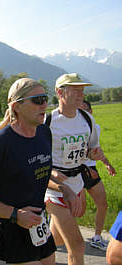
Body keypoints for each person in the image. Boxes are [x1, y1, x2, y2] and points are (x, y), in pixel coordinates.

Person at [0, 78, 65, 264]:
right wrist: (15, 215)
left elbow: (36, 172)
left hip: (39, 224)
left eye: (45, 98)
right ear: (16, 106)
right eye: (37, 100)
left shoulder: (44, 133)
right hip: (13, 228)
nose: (44, 104)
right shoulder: (1, 143)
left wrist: (64, 189)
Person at [44, 73, 106, 265]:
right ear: (59, 92)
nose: (81, 94)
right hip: (53, 189)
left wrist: (92, 154)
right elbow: (35, 160)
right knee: (77, 246)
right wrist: (52, 173)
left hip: (77, 184)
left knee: (56, 240)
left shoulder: (87, 119)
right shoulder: (47, 122)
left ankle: (33, 257)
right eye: (75, 90)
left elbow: (89, 150)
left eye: (82, 90)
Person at [81, 99, 116, 250]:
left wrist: (107, 164)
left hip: (91, 171)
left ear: (91, 112)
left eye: (85, 110)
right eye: (79, 111)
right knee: (77, 209)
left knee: (103, 204)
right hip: (74, 173)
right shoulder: (71, 129)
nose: (82, 114)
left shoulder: (96, 128)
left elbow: (97, 149)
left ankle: (96, 237)